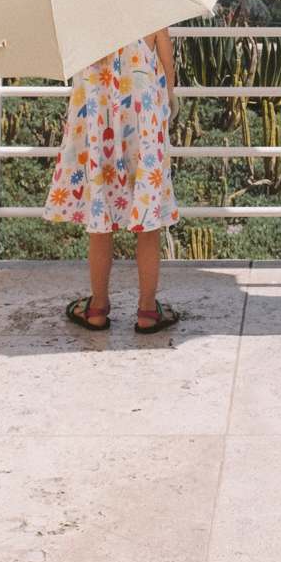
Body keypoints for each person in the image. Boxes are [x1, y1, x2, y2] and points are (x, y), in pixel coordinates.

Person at [44, 26, 182, 333]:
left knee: (100, 214)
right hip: (142, 116)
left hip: (98, 117)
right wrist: (169, 95)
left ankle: (97, 307)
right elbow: (164, 51)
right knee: (148, 220)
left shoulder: (84, 7)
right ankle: (147, 310)